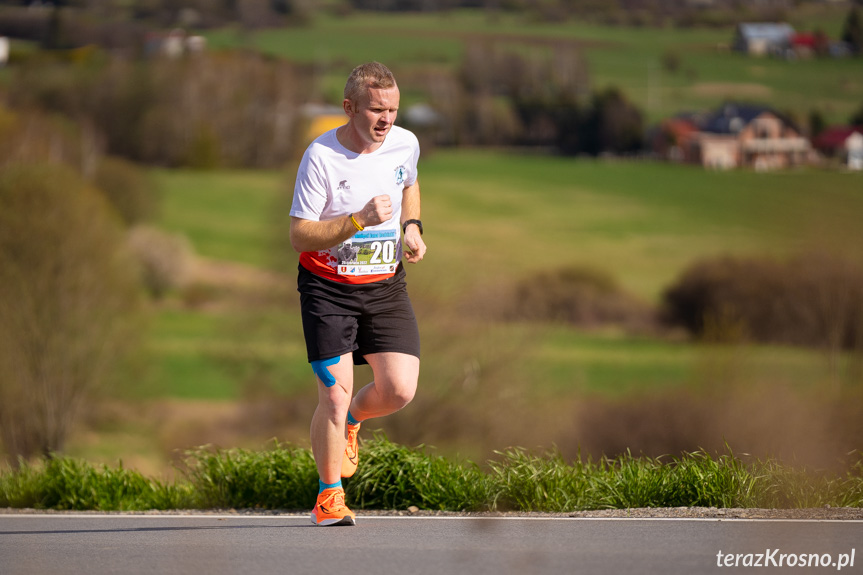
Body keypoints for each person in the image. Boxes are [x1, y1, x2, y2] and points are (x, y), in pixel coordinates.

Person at [289, 62, 427, 526]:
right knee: (333, 393)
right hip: (328, 290)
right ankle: (329, 496)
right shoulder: (321, 157)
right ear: (349, 108)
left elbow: (409, 182)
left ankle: (353, 422)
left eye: (392, 109)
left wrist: (411, 227)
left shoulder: (406, 143)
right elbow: (300, 235)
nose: (386, 119)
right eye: (375, 109)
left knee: (400, 390)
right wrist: (356, 221)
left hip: (386, 285)